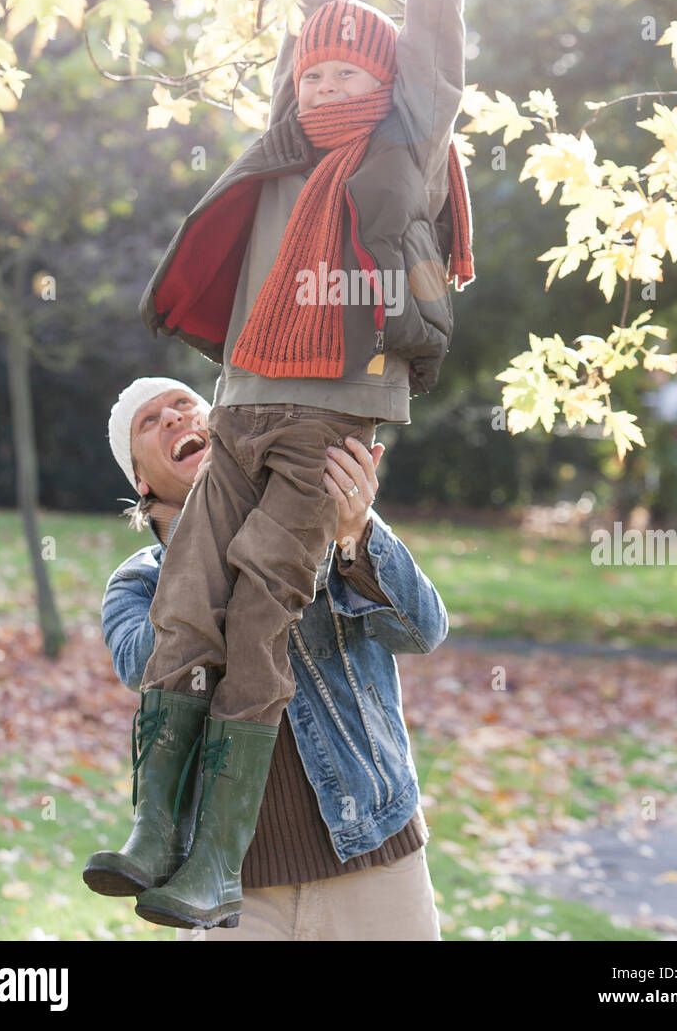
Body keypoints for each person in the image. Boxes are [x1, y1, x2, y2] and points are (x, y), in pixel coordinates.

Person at [88, 0, 472, 930]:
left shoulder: (397, 152)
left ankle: (214, 857)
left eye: (344, 74)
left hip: (325, 417)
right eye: (306, 77)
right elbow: (304, 31)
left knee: (262, 603)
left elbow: (433, 42)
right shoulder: (281, 149)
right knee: (187, 599)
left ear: (386, 89)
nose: (317, 87)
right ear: (136, 473)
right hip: (251, 401)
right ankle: (158, 832)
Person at [91, 378, 447, 941]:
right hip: (224, 894)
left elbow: (422, 630)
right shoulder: (138, 582)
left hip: (373, 858)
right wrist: (205, 545)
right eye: (149, 421)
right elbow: (145, 667)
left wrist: (356, 533)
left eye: (186, 404)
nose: (175, 418)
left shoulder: (319, 522)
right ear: (140, 480)